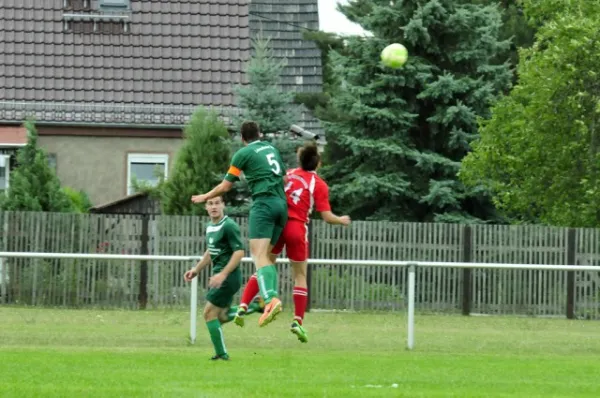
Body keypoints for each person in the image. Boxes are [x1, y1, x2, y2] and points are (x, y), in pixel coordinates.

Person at [233, 142, 351, 343]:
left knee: (264, 263)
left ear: (299, 159)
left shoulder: (288, 174)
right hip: (297, 229)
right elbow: (326, 216)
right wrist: (341, 220)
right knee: (300, 275)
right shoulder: (319, 184)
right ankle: (297, 321)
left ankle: (243, 306)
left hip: (279, 224)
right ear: (318, 163)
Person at [191, 120, 288, 328]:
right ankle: (265, 299)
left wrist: (205, 196)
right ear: (259, 133)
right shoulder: (272, 149)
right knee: (268, 257)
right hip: (282, 205)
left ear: (242, 138)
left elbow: (226, 186)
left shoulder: (242, 154)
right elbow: (285, 179)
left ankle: (270, 299)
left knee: (257, 255)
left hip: (264, 205)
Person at [183, 195, 263, 361]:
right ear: (206, 207)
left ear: (223, 205)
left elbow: (239, 252)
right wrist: (196, 269)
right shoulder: (211, 226)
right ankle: (256, 306)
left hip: (228, 278)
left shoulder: (228, 226)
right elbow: (211, 251)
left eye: (217, 203)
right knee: (222, 316)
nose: (214, 207)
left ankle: (221, 354)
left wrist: (223, 274)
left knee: (208, 314)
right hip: (222, 277)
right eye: (210, 204)